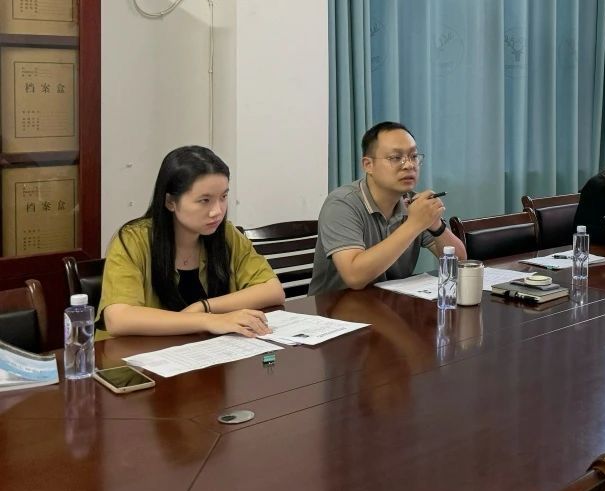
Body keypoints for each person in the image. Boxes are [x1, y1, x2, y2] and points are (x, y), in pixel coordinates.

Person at [98, 146, 285, 338]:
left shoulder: (226, 234)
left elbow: (273, 290)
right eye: (205, 200)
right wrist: (209, 320)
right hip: (138, 354)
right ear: (170, 202)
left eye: (223, 197)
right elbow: (118, 318)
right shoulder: (132, 240)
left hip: (206, 351)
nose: (217, 211)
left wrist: (204, 306)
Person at [310, 121, 466, 294]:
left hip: (389, 301)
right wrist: (414, 224)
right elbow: (354, 277)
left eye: (414, 156)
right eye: (396, 158)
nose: (409, 165)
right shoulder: (341, 204)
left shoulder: (413, 203)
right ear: (368, 165)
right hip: (337, 306)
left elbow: (460, 263)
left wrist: (436, 226)